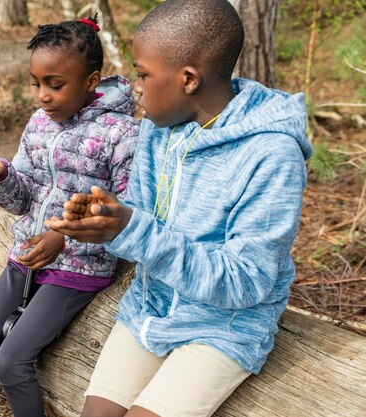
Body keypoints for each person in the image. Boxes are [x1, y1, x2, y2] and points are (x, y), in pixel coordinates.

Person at [47, 1, 313, 416]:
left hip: (223, 327)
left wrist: (133, 229)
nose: (134, 87)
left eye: (142, 74)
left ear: (188, 79)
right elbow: (138, 225)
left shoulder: (271, 155)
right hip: (149, 307)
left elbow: (247, 282)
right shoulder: (159, 128)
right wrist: (107, 224)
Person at [0, 15, 139, 417]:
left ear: (91, 81)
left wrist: (66, 238)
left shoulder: (123, 134)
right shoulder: (39, 125)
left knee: (11, 363)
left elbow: (124, 215)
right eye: (36, 83)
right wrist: (0, 174)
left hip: (79, 267)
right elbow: (21, 198)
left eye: (55, 85)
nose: (42, 96)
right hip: (26, 257)